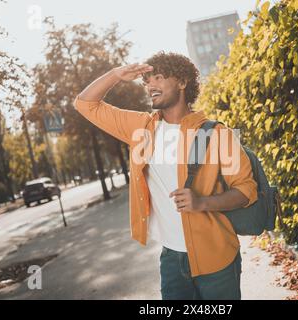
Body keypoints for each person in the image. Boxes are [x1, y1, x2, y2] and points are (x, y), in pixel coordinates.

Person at [74, 51, 257, 300]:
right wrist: (117, 74)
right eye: (147, 81)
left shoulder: (217, 134)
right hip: (171, 260)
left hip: (217, 257)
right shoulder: (141, 128)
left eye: (158, 78)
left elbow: (247, 190)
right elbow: (85, 104)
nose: (150, 86)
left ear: (182, 82)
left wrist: (203, 202)